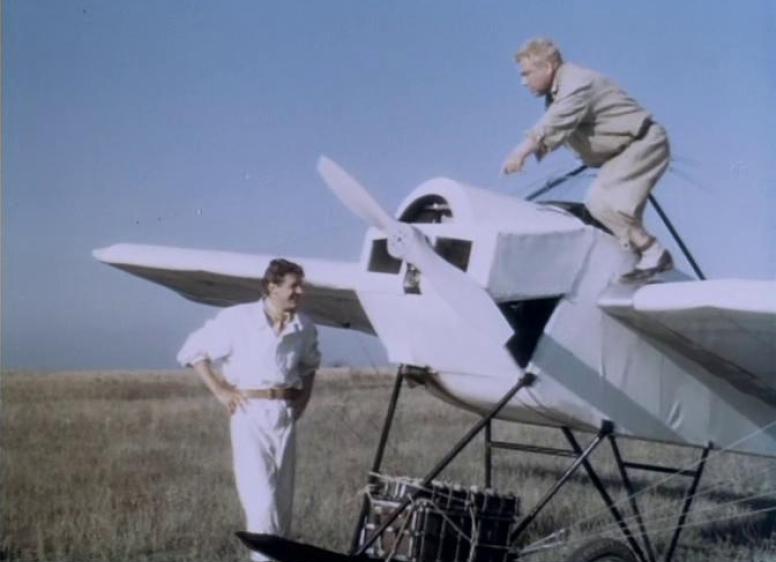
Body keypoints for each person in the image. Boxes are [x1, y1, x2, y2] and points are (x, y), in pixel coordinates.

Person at [177, 258, 320, 562]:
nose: (300, 292)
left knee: (281, 506)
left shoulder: (304, 326)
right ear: (272, 287)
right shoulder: (237, 319)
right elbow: (192, 351)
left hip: (285, 416)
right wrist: (220, 391)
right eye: (294, 286)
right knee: (261, 504)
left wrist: (303, 400)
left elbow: (309, 365)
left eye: (302, 286)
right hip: (249, 413)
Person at [502, 38, 673, 282]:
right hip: (620, 154)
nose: (523, 81)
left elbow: (555, 122)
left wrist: (521, 152)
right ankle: (638, 264)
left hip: (641, 144)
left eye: (526, 73)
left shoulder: (575, 83)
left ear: (547, 67)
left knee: (600, 203)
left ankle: (654, 253)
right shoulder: (556, 94)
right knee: (614, 215)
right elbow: (558, 130)